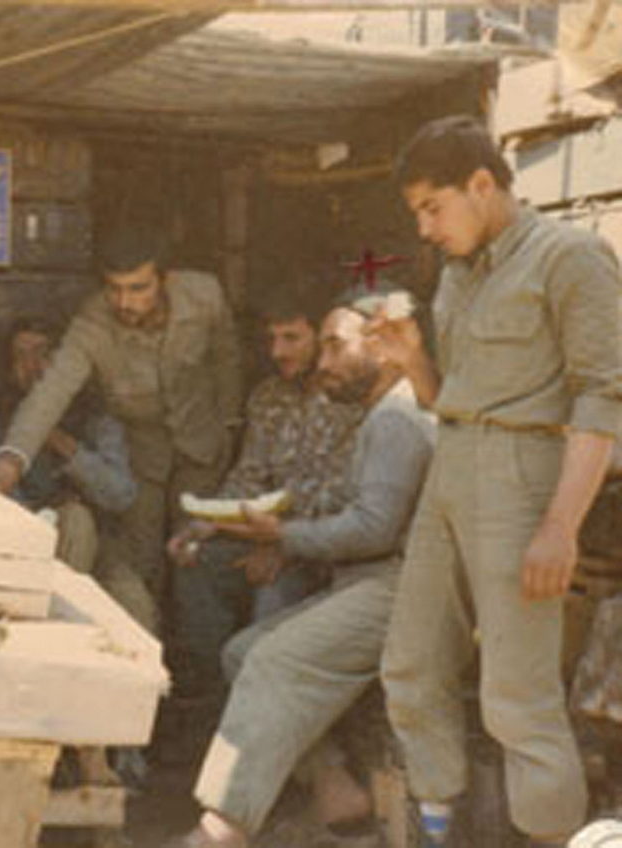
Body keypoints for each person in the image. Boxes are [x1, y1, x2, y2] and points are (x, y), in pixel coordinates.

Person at [376, 115, 622, 847]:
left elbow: (604, 398)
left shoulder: (570, 257)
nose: (425, 229)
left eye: (433, 207)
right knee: (411, 667)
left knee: (518, 697)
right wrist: (413, 361)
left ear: (482, 185)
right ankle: (438, 827)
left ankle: (550, 837)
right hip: (450, 471)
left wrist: (560, 527)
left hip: (523, 482)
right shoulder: (460, 271)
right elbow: (453, 398)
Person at [164, 297, 436, 848]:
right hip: (364, 583)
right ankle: (334, 786)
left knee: (271, 661)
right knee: (243, 651)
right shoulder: (380, 413)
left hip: (397, 590)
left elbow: (374, 529)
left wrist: (282, 537)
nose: (324, 363)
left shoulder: (396, 419)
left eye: (336, 347)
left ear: (383, 349)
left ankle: (223, 827)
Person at [0, 227, 243, 633]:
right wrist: (10, 459)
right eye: (114, 289)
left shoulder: (204, 294)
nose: (125, 302)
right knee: (144, 564)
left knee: (196, 556)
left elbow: (227, 359)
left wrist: (229, 424)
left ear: (165, 279)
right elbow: (51, 391)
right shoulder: (91, 323)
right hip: (143, 457)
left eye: (138, 288)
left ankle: (198, 662)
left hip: (202, 447)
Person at [167, 287, 363, 697]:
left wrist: (282, 545)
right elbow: (250, 475)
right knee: (196, 563)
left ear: (321, 339)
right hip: (261, 534)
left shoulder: (352, 403)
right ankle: (209, 700)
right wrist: (204, 524)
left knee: (272, 590)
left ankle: (258, 706)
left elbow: (338, 498)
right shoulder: (268, 396)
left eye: (291, 338)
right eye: (271, 339)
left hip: (321, 552)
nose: (278, 352)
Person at [0, 314, 136, 574]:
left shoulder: (96, 417)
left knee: (133, 598)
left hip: (101, 555)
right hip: (27, 548)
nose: (32, 366)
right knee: (75, 520)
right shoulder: (0, 418)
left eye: (42, 354)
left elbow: (120, 494)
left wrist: (62, 444)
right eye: (20, 356)